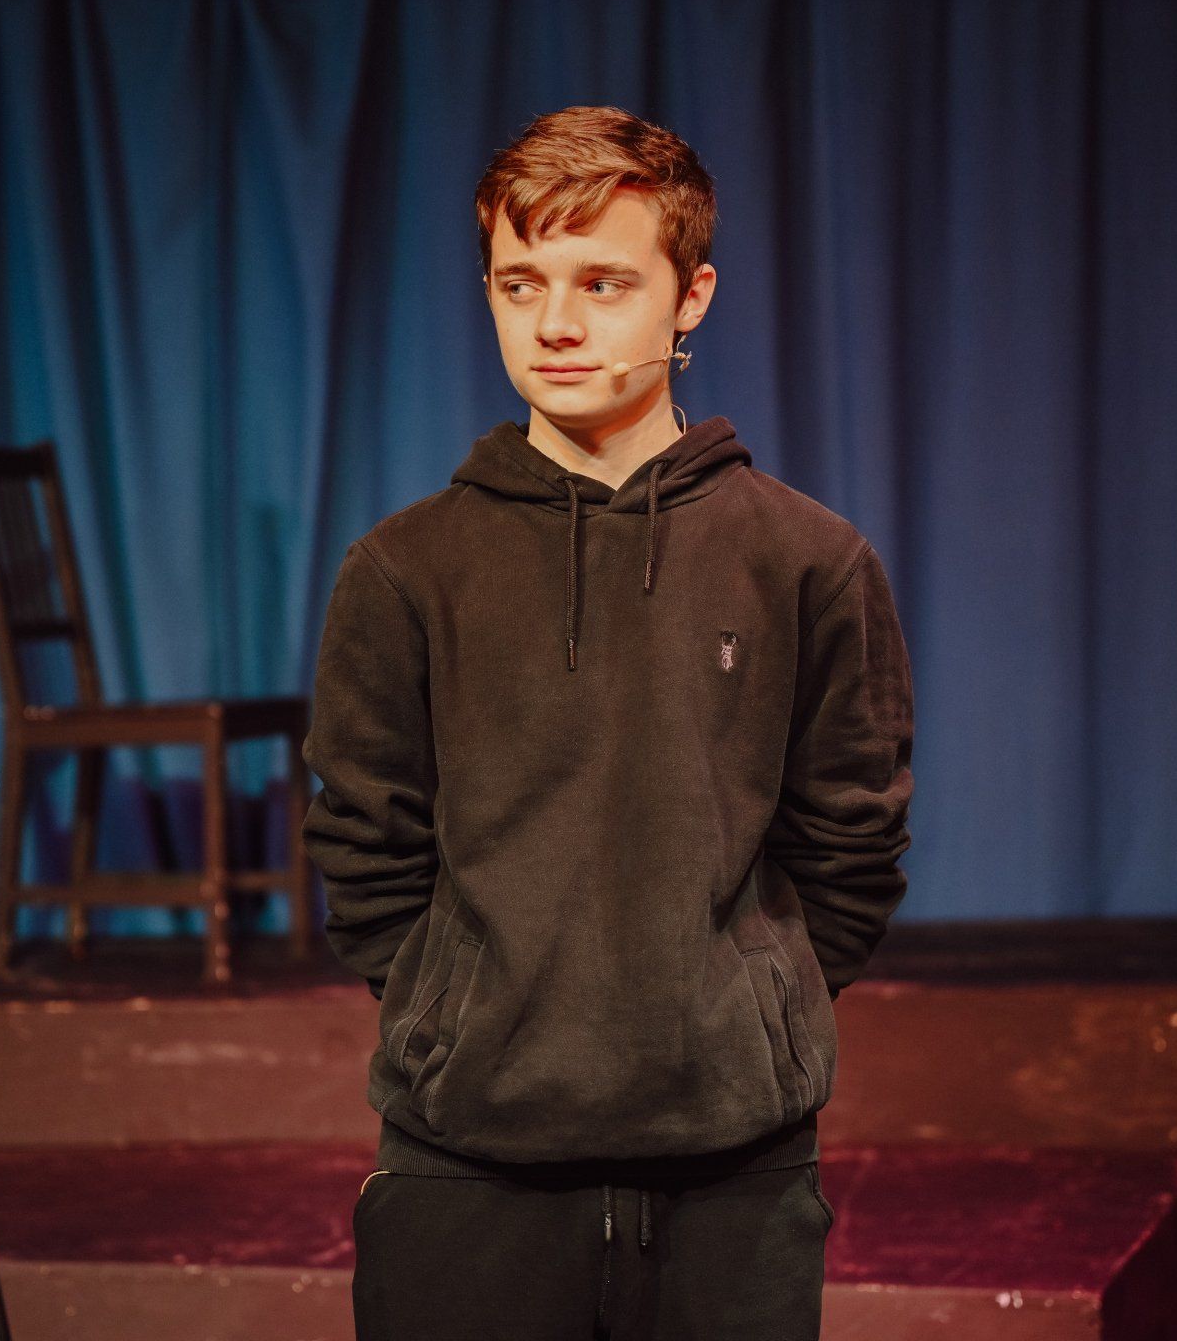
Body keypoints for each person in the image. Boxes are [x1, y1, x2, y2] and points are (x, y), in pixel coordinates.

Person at [301, 104, 915, 1339]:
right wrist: (465, 1022)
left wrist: (743, 1017)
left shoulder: (809, 562)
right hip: (466, 1171)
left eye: (603, 282)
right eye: (520, 282)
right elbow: (366, 852)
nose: (556, 324)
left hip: (732, 1180)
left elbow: (851, 847)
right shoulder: (405, 570)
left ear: (692, 299)